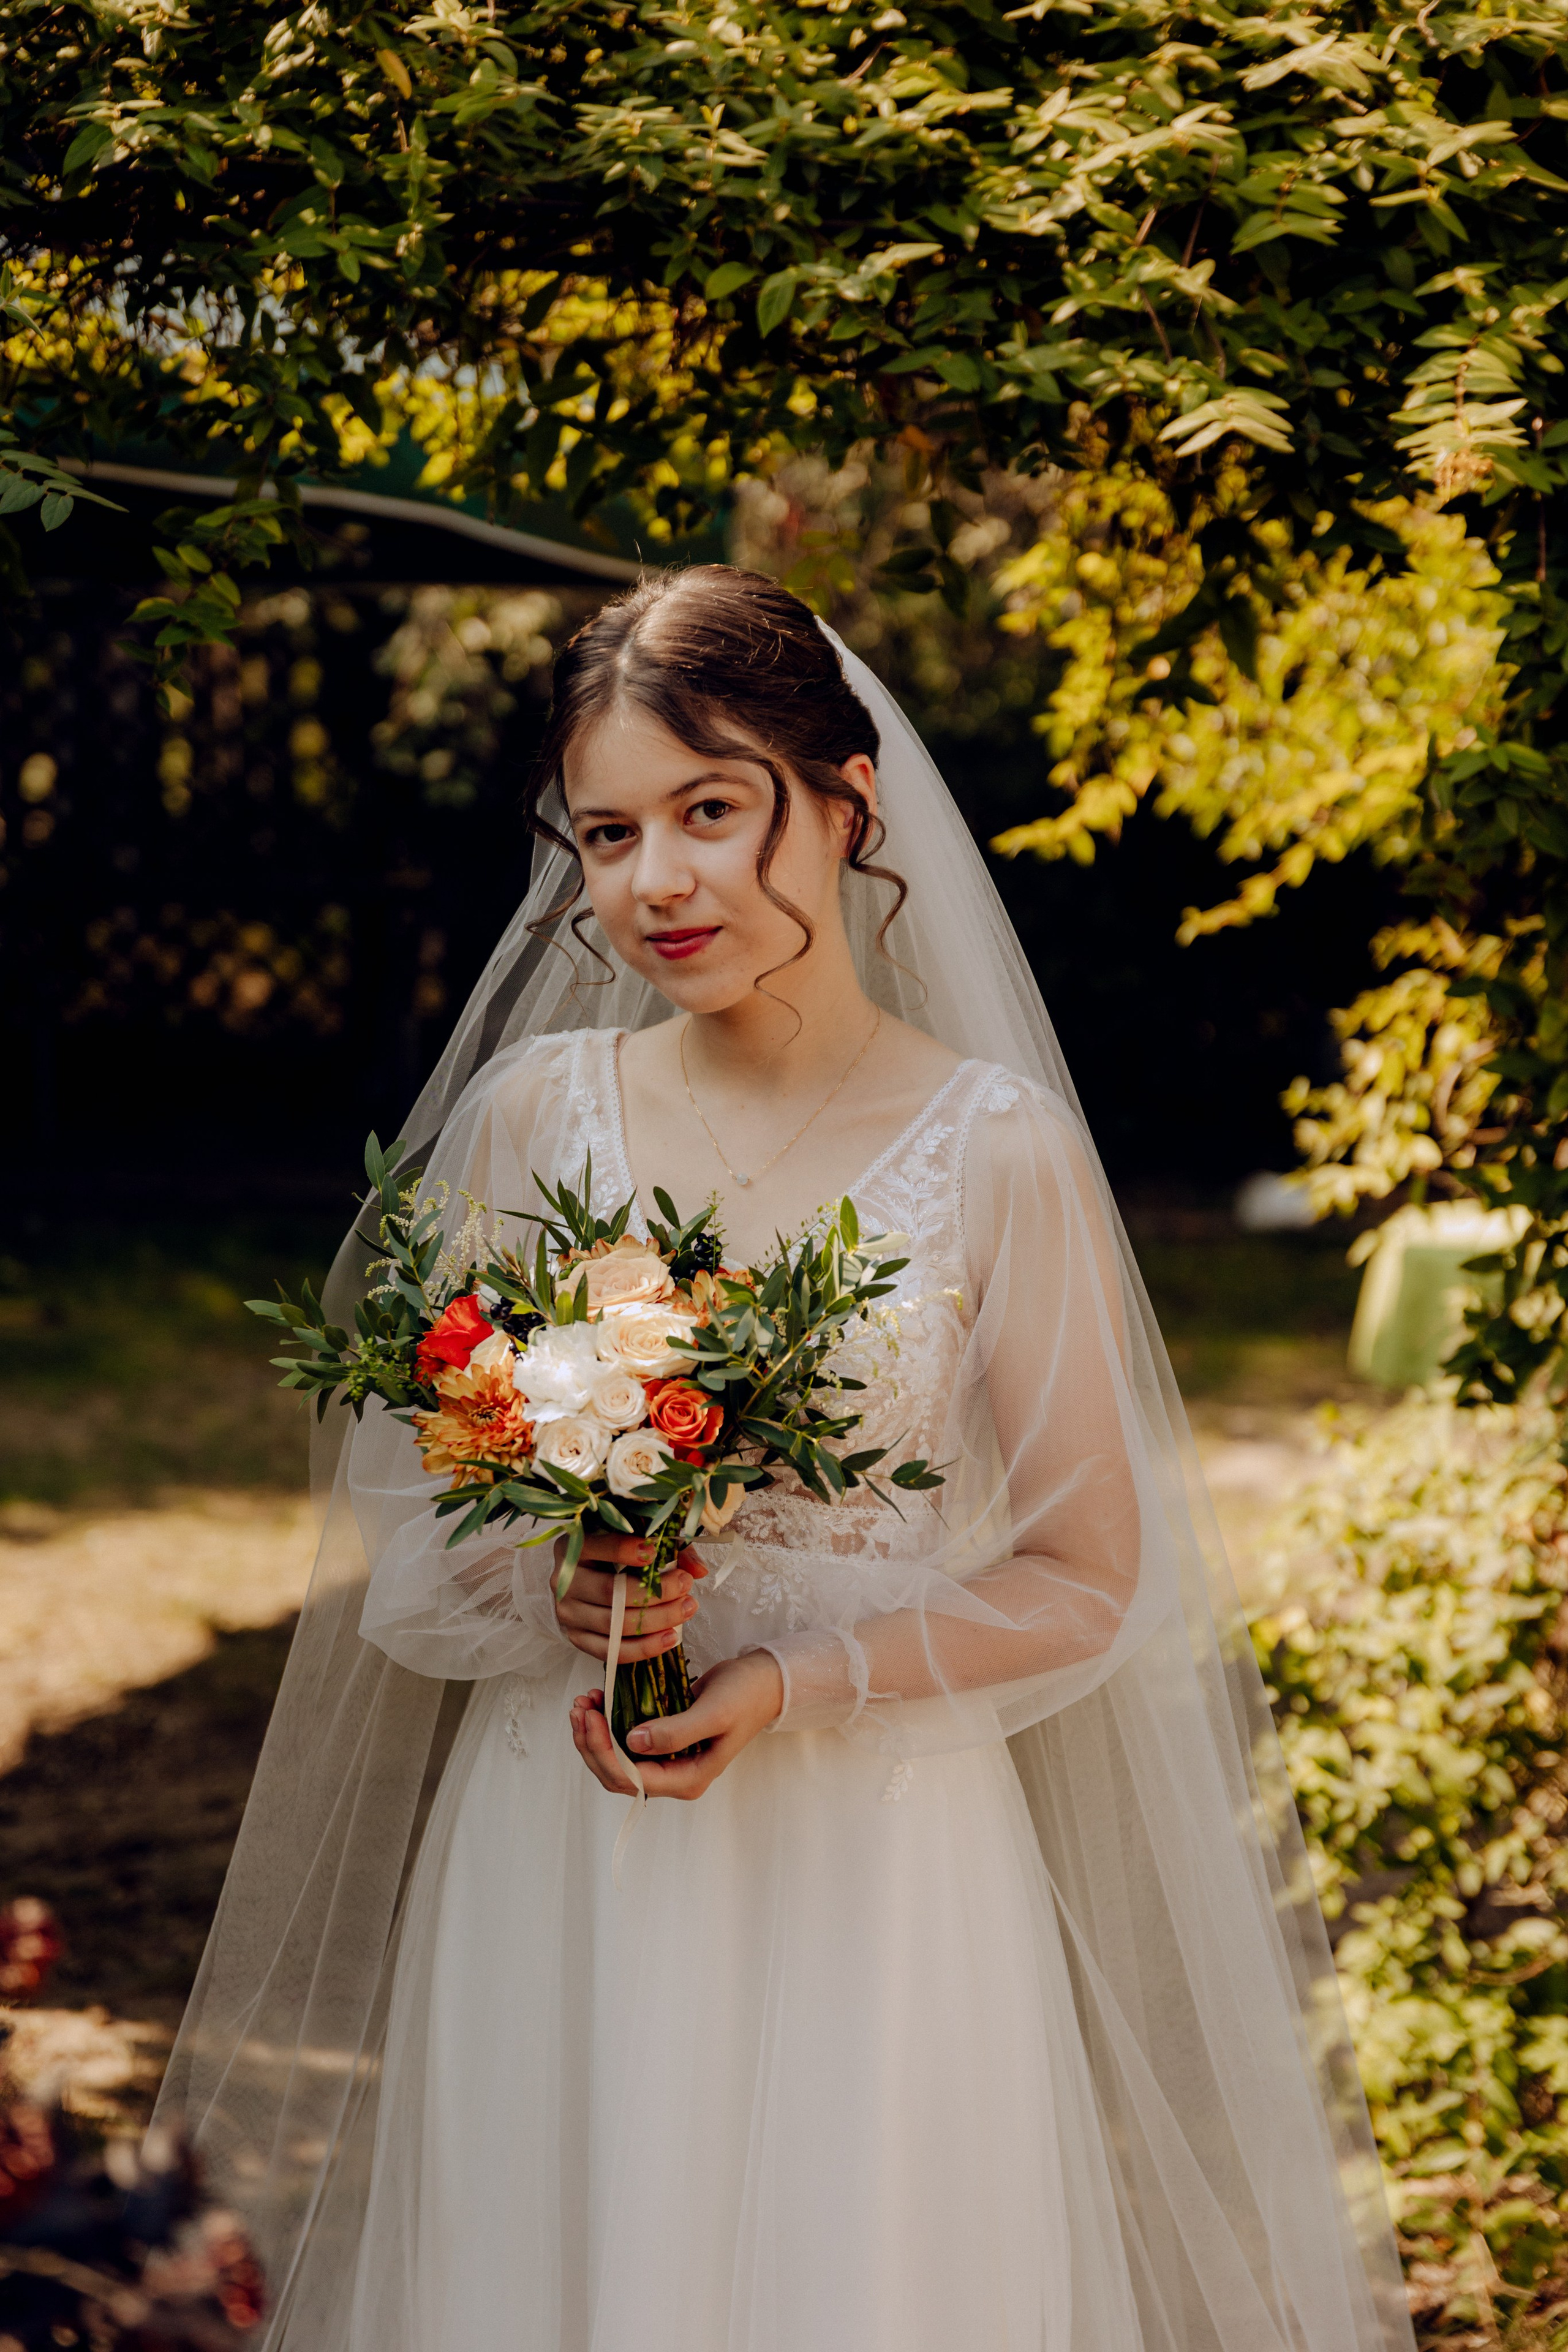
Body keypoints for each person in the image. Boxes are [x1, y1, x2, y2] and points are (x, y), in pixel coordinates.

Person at [155, 567, 1415, 2351]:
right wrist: (566, 1572)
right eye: (608, 831)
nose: (656, 879)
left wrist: (794, 1679)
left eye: (712, 810)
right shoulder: (536, 1120)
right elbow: (434, 1531)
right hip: (571, 1835)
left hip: (877, 1863)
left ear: (848, 801)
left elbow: (1084, 1579)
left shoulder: (996, 1147)